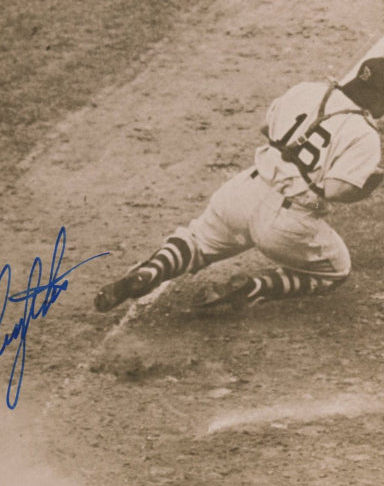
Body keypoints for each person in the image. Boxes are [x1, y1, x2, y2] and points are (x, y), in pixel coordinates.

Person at [95, 57, 384, 312]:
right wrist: (369, 182)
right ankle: (256, 288)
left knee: (196, 240)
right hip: (289, 223)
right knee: (336, 270)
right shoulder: (365, 135)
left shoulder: (307, 89)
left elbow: (266, 128)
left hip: (244, 190)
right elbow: (336, 190)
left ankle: (150, 271)